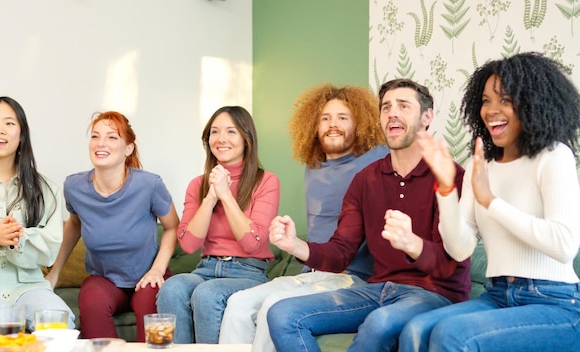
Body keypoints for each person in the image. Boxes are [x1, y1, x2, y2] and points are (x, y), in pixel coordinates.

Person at [266, 79, 471, 352]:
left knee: (380, 322)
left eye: (403, 105)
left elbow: (450, 265)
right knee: (282, 314)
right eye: (386, 107)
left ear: (427, 116)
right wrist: (295, 245)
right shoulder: (366, 179)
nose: (392, 113)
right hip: (378, 289)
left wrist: (413, 244)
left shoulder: (450, 175)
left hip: (433, 294)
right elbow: (341, 251)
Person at [399, 52, 580, 352]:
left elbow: (564, 246)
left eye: (505, 99)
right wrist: (446, 189)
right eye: (485, 101)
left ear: (533, 104)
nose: (491, 110)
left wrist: (491, 201)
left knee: (452, 334)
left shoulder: (554, 156)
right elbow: (460, 249)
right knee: (415, 330)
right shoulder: (481, 166)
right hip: (498, 295)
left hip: (555, 302)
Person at [219, 84, 389, 351]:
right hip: (311, 272)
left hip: (351, 277)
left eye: (343, 118)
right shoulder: (314, 165)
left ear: (360, 125)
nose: (333, 125)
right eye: (325, 118)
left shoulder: (377, 160)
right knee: (238, 304)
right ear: (314, 125)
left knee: (274, 308)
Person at [45, 111, 179, 342]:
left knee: (150, 306)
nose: (101, 143)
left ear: (128, 148)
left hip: (147, 277)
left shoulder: (149, 185)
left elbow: (172, 227)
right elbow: (75, 223)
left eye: (112, 137)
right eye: (95, 136)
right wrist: (54, 272)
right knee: (92, 300)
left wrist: (157, 270)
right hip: (104, 279)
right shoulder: (74, 186)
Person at [156, 106, 280, 344]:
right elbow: (190, 244)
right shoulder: (198, 185)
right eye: (215, 132)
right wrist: (210, 198)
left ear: (246, 139)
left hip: (249, 271)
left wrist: (226, 195)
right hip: (205, 268)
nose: (221, 139)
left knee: (207, 294)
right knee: (171, 289)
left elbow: (253, 243)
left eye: (231, 132)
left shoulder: (266, 181)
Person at [0, 96, 75, 338]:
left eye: (9, 123)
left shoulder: (46, 189)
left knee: (58, 320)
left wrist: (19, 237)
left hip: (27, 289)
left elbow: (49, 252)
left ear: (22, 135)